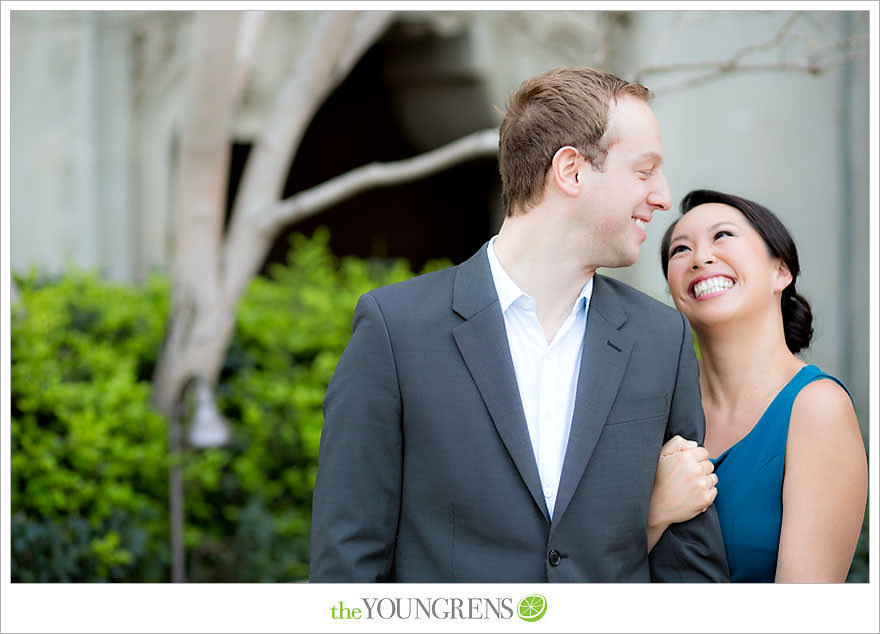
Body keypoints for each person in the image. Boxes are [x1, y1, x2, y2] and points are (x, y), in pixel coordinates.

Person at [309, 67, 729, 582]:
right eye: (644, 172)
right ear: (572, 170)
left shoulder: (660, 337)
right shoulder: (396, 331)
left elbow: (689, 567)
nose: (663, 197)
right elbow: (347, 567)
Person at [648, 189, 867, 582]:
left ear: (780, 271)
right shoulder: (651, 397)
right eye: (680, 249)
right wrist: (654, 515)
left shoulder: (817, 408)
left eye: (722, 236)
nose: (700, 258)